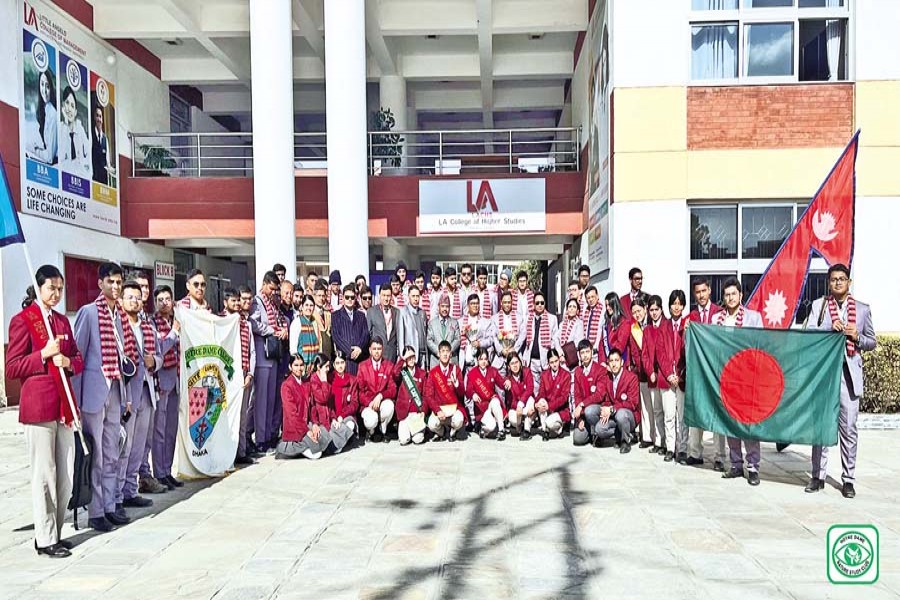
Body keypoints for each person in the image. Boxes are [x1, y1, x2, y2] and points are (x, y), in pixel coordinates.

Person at [6, 265, 83, 557]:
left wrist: (66, 361)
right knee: (44, 473)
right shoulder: (24, 320)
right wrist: (43, 354)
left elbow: (77, 358)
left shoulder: (62, 322)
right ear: (38, 288)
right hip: (38, 406)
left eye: (60, 288)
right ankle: (45, 536)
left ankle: (56, 531)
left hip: (64, 404)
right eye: (51, 288)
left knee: (66, 473)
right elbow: (13, 367)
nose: (56, 293)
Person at [806, 264, 876, 498]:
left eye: (842, 279)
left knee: (848, 429)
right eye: (833, 279)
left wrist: (856, 337)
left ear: (849, 282)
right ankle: (818, 476)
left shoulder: (863, 310)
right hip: (825, 375)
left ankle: (848, 479)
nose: (837, 283)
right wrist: (828, 327)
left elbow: (871, 342)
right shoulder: (820, 306)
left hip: (849, 376)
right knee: (821, 428)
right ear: (829, 282)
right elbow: (809, 335)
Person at [72, 262, 132, 532]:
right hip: (94, 394)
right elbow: (78, 357)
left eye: (119, 282)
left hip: (116, 390)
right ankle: (96, 512)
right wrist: (74, 401)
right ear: (100, 284)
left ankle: (109, 506)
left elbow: (126, 360)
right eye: (111, 282)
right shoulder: (88, 313)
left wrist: (127, 396)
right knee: (95, 455)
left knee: (111, 452)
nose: (116, 287)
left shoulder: (120, 316)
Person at [712, 277, 764, 486]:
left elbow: (760, 345)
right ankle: (735, 464)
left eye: (734, 294)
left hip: (747, 379)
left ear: (741, 295)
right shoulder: (717, 319)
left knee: (747, 424)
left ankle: (753, 467)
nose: (730, 298)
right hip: (726, 379)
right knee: (730, 423)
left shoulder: (753, 318)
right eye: (727, 295)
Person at [118, 281, 162, 511]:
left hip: (147, 390)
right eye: (130, 297)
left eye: (138, 297)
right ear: (122, 300)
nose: (135, 301)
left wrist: (154, 361)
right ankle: (117, 494)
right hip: (126, 394)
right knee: (124, 445)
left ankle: (130, 490)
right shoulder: (117, 326)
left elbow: (161, 357)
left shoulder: (148, 327)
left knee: (139, 445)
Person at [685, 276, 725, 470]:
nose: (701, 295)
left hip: (717, 372)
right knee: (696, 411)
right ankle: (695, 452)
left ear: (709, 290)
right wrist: (685, 332)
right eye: (697, 292)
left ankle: (719, 456)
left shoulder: (720, 313)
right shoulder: (691, 316)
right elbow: (686, 344)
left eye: (703, 291)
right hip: (698, 372)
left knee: (718, 414)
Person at [249, 271, 289, 452]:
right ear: (264, 284)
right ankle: (260, 438)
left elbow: (280, 321)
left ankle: (268, 436)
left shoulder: (273, 304)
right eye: (271, 289)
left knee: (271, 399)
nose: (273, 292)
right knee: (261, 401)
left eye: (275, 289)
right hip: (262, 354)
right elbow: (254, 324)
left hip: (273, 355)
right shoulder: (257, 302)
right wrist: (272, 330)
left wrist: (281, 329)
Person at [275, 355, 333, 460]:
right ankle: (285, 447)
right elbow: (292, 414)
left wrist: (315, 424)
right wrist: (307, 432)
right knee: (316, 454)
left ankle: (302, 448)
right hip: (295, 426)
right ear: (290, 367)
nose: (299, 368)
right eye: (296, 365)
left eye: (301, 365)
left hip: (307, 423)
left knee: (325, 438)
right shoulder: (286, 385)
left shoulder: (306, 383)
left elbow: (312, 406)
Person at [223, 288, 256, 465]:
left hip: (243, 374)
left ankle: (240, 452)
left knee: (242, 416)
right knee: (226, 416)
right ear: (225, 303)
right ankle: (225, 453)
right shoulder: (219, 321)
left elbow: (252, 351)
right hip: (226, 375)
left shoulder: (246, 324)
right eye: (233, 301)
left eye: (238, 301)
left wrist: (250, 373)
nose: (236, 304)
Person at [644, 295, 676, 461]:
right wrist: (650, 371)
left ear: (661, 309)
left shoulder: (667, 326)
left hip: (665, 375)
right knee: (656, 411)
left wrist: (667, 371)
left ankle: (671, 446)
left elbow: (669, 351)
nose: (654, 313)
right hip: (653, 377)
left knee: (668, 412)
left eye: (657, 309)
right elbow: (645, 355)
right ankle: (659, 441)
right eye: (651, 310)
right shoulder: (647, 329)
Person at [307, 354, 355, 453]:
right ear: (319, 367)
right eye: (326, 367)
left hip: (328, 419)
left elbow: (330, 403)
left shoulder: (327, 378)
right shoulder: (314, 380)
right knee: (329, 444)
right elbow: (322, 399)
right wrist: (324, 381)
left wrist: (333, 418)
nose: (328, 369)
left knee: (344, 430)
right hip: (319, 421)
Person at [599, 348, 640, 453]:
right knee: (600, 429)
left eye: (616, 360)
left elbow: (633, 403)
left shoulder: (631, 378)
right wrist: (605, 408)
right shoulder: (607, 378)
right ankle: (619, 433)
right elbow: (607, 399)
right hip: (615, 416)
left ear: (622, 362)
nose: (614, 364)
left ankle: (625, 442)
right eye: (611, 361)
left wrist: (612, 409)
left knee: (621, 414)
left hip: (629, 415)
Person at [627, 295, 655, 451]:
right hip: (642, 372)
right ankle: (647, 436)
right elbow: (634, 353)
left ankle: (659, 438)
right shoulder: (634, 329)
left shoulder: (653, 324)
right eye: (634, 312)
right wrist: (639, 367)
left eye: (639, 311)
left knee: (656, 407)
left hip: (656, 372)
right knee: (644, 405)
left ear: (645, 309)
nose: (637, 314)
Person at [357, 337, 396, 442]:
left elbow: (393, 389)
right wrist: (369, 402)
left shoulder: (389, 366)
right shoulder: (362, 366)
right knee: (370, 421)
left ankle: (383, 430)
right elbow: (359, 391)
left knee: (389, 406)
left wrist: (381, 396)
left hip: (382, 402)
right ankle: (372, 431)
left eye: (379, 349)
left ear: (382, 349)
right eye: (374, 349)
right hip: (368, 404)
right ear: (370, 350)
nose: (377, 351)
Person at [425, 340, 466, 442]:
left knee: (459, 420)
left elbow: (462, 393)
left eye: (447, 351)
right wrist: (437, 410)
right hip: (440, 411)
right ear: (438, 354)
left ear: (450, 354)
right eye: (442, 351)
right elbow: (428, 396)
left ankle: (453, 431)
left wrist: (456, 383)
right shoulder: (433, 373)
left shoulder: (456, 370)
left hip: (453, 409)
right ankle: (442, 432)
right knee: (431, 424)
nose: (445, 354)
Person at [465, 348, 507, 440]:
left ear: (488, 360)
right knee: (490, 427)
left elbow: (501, 383)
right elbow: (468, 390)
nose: (483, 362)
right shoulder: (472, 373)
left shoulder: (493, 371)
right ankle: (482, 428)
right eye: (481, 359)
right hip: (481, 408)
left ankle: (501, 430)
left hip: (492, 404)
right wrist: (473, 394)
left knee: (495, 401)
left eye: (485, 359)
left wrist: (507, 382)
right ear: (477, 360)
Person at [392, 346, 429, 445]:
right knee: (404, 440)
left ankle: (421, 431)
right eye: (409, 357)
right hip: (404, 415)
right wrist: (402, 359)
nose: (411, 359)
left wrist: (424, 411)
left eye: (413, 356)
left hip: (417, 413)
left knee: (417, 439)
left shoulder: (422, 373)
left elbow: (426, 395)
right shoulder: (402, 372)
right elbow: (394, 374)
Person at [572, 340, 606, 447]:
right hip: (584, 413)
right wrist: (580, 419)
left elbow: (599, 395)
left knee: (590, 410)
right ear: (579, 355)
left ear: (592, 352)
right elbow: (577, 395)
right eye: (582, 353)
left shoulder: (600, 370)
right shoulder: (578, 371)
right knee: (577, 439)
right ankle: (590, 431)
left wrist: (582, 404)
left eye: (587, 352)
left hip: (596, 409)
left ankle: (598, 433)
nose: (585, 355)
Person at [667, 290, 688, 464]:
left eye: (680, 303)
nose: (676, 306)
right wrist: (668, 373)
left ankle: (682, 449)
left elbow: (690, 352)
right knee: (669, 415)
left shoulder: (688, 325)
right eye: (674, 303)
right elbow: (660, 352)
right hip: (667, 377)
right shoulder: (665, 326)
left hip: (682, 377)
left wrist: (680, 375)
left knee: (682, 416)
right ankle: (670, 447)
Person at [523, 291, 558, 392]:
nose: (539, 305)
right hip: (531, 360)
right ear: (533, 304)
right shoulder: (528, 319)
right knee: (534, 389)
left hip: (545, 361)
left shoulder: (552, 319)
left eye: (542, 303)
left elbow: (555, 339)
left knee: (547, 388)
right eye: (537, 303)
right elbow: (523, 337)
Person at [331, 284, 370, 375]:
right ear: (343, 298)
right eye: (347, 297)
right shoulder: (335, 316)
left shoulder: (361, 315)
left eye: (352, 297)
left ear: (355, 298)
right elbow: (336, 336)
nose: (349, 299)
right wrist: (350, 351)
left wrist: (359, 348)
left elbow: (365, 334)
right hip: (345, 361)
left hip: (360, 360)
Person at [534, 349, 571, 440]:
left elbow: (564, 398)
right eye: (551, 362)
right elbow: (541, 392)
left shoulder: (566, 375)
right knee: (541, 401)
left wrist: (549, 406)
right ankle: (545, 430)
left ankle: (561, 426)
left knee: (549, 422)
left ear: (559, 360)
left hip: (560, 409)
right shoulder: (544, 374)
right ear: (548, 363)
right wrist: (536, 403)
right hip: (547, 408)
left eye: (556, 361)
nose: (554, 364)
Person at [58, 86, 90, 177]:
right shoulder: (61, 128)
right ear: (63, 106)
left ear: (75, 111)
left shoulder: (80, 129)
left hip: (81, 176)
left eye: (72, 106)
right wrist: (65, 121)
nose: (69, 109)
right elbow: (61, 158)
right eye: (67, 103)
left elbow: (88, 155)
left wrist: (81, 163)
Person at [459, 293, 496, 371]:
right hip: (463, 362)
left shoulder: (486, 322)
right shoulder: (460, 322)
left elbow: (491, 339)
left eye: (477, 303)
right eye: (472, 303)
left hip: (478, 362)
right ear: (468, 306)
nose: (475, 306)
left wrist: (480, 344)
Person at [28, 68, 57, 164]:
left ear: (51, 88)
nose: (44, 90)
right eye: (42, 84)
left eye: (47, 86)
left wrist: (34, 150)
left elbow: (49, 158)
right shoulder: (44, 109)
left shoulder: (53, 114)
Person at [504, 352, 536, 439]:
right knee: (512, 418)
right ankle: (519, 427)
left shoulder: (527, 371)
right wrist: (520, 409)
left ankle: (526, 430)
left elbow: (530, 388)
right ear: (509, 366)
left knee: (531, 401)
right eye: (512, 363)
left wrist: (521, 404)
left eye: (517, 362)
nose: (515, 365)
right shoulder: (508, 380)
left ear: (520, 362)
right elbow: (510, 401)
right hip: (516, 409)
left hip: (525, 404)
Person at [492, 291, 526, 371]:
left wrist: (514, 349)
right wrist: (501, 350)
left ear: (512, 303)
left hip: (515, 357)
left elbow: (523, 335)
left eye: (509, 302)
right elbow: (493, 337)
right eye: (505, 302)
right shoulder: (494, 318)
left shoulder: (519, 318)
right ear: (501, 303)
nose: (507, 305)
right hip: (500, 359)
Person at [398, 285, 429, 370]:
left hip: (422, 355)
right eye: (413, 296)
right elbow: (401, 337)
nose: (416, 299)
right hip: (410, 355)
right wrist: (403, 356)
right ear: (408, 297)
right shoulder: (403, 312)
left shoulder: (422, 313)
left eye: (417, 296)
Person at [367, 285, 400, 362]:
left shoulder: (397, 312)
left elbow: (398, 334)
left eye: (388, 296)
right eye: (383, 295)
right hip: (377, 355)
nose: (386, 298)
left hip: (392, 354)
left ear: (391, 296)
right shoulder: (371, 311)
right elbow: (369, 333)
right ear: (379, 296)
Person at [427, 294, 461, 367]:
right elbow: (429, 340)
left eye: (447, 306)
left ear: (450, 307)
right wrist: (439, 352)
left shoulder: (454, 322)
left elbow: (457, 339)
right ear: (438, 306)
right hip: (436, 360)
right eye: (442, 306)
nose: (445, 309)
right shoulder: (432, 323)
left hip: (451, 359)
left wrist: (448, 352)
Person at [289, 294, 321, 372]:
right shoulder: (297, 322)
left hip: (313, 365)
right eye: (306, 305)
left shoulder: (315, 323)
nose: (309, 308)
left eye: (311, 305)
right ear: (302, 307)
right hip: (301, 366)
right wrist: (297, 366)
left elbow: (318, 343)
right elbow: (293, 348)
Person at [331, 351, 359, 436]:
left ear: (345, 363)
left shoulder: (352, 380)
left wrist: (342, 415)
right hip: (333, 417)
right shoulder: (329, 380)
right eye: (337, 363)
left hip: (346, 416)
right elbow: (328, 404)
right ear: (334, 365)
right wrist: (334, 418)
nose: (340, 366)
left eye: (342, 362)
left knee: (350, 424)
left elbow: (355, 403)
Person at [602, 293, 631, 366]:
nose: (608, 308)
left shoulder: (624, 323)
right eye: (606, 305)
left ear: (615, 305)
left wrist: (611, 360)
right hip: (608, 363)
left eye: (609, 305)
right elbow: (602, 343)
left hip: (619, 362)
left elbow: (620, 345)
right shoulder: (607, 323)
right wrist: (602, 361)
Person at [91, 106, 114, 184]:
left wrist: (113, 170)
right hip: (93, 178)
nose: (99, 119)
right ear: (94, 117)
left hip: (103, 180)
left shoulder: (105, 139)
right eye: (97, 116)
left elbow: (107, 163)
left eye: (100, 116)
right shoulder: (90, 135)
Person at [312, 281, 334, 358]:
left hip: (328, 354)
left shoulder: (328, 314)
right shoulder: (311, 314)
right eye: (319, 295)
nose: (321, 298)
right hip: (316, 355)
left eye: (323, 296)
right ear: (314, 296)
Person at [582, 286, 604, 355]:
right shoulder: (586, 311)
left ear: (597, 296)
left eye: (592, 297)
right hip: (586, 349)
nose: (591, 300)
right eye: (588, 298)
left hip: (597, 349)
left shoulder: (603, 310)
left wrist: (596, 347)